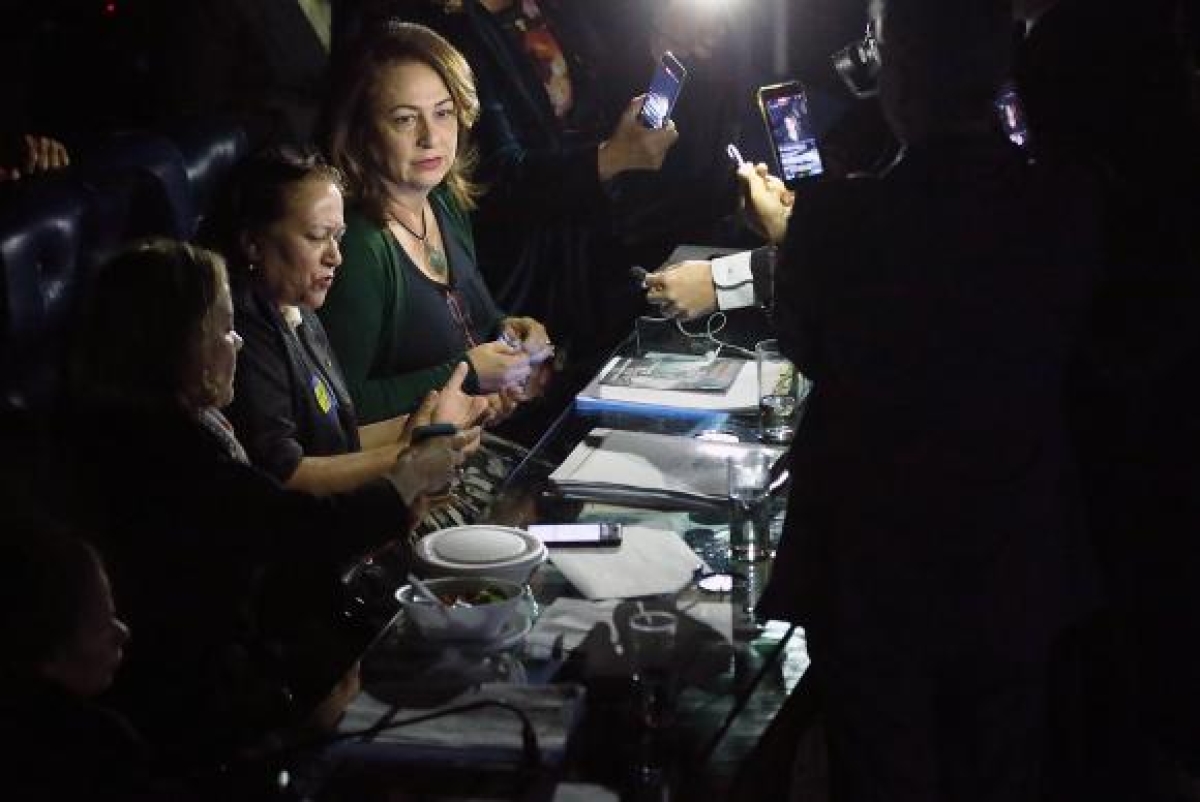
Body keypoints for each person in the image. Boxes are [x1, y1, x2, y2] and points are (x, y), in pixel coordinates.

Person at [756, 1, 1101, 799]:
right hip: (1017, 547)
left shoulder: (839, 219)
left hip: (874, 562)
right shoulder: (1069, 204)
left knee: (881, 769)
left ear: (896, 72)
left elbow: (806, 347)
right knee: (1002, 765)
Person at [61, 239, 474, 768]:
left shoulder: (166, 424)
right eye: (221, 329)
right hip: (201, 707)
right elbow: (290, 531)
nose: (236, 342)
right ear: (175, 346)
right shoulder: (161, 451)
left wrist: (395, 502)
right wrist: (403, 480)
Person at [386, 0, 679, 368]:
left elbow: (594, 107)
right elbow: (489, 180)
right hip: (512, 284)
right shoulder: (440, 31)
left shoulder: (553, 10)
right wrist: (612, 157)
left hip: (588, 272)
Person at [203, 148, 488, 500]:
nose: (335, 256)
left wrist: (430, 430)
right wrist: (413, 456)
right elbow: (283, 476)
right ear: (253, 244)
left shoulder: (298, 309)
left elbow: (338, 440)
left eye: (337, 237)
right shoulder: (241, 334)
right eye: (317, 236)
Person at [319, 21, 552, 435]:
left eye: (444, 114)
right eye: (406, 120)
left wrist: (510, 333)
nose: (432, 138)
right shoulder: (357, 248)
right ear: (361, 132)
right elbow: (339, 404)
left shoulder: (442, 201)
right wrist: (468, 373)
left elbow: (474, 322)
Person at [0, 524, 145, 800]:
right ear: (47, 654)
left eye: (112, 614)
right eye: (100, 625)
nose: (123, 631)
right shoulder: (100, 748)